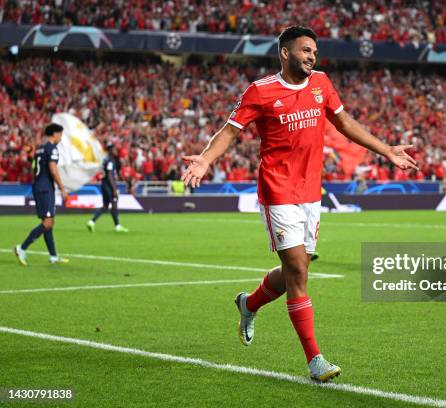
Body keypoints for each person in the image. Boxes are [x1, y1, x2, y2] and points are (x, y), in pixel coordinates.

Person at [181, 26, 418, 382]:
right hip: (278, 191)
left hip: (311, 193)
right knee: (298, 271)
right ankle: (314, 359)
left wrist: (386, 150)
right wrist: (205, 159)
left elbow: (345, 122)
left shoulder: (322, 83)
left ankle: (249, 303)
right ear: (285, 53)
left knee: (297, 271)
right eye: (305, 50)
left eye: (314, 51)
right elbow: (230, 131)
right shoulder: (261, 91)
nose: (311, 56)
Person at [15, 123, 69, 265]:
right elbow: (53, 170)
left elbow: (34, 168)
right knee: (48, 222)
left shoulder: (39, 149)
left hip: (39, 186)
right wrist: (62, 188)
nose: (61, 138)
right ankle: (22, 248)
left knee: (49, 223)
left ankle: (53, 257)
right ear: (55, 134)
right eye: (61, 134)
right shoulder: (52, 149)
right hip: (46, 188)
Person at [87, 142, 128, 233]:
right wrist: (114, 189)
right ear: (110, 150)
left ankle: (91, 221)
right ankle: (117, 226)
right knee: (114, 204)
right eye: (114, 149)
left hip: (104, 184)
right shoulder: (110, 160)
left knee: (105, 206)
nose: (116, 150)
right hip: (108, 186)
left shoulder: (106, 160)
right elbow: (109, 175)